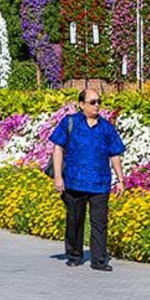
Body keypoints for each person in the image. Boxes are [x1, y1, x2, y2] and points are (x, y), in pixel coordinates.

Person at [51, 88, 126, 271]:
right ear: (82, 104)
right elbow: (58, 149)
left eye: (99, 101)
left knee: (99, 223)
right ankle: (75, 255)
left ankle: (99, 260)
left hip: (100, 183)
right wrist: (58, 177)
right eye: (92, 102)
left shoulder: (106, 127)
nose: (97, 105)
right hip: (74, 181)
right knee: (75, 220)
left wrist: (121, 179)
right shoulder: (70, 123)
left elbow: (115, 154)